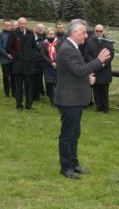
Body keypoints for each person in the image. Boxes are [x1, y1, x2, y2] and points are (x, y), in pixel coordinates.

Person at [54, 19, 110, 179]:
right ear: (74, 32)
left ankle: (74, 163)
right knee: (68, 134)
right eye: (83, 32)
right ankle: (66, 168)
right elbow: (79, 71)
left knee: (75, 133)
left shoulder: (73, 47)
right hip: (68, 99)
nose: (87, 35)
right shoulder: (66, 49)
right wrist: (98, 60)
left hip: (75, 98)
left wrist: (88, 77)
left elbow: (76, 72)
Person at [7, 17, 37, 111]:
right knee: (19, 86)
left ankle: (29, 104)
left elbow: (34, 47)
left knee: (28, 86)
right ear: (18, 24)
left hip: (29, 64)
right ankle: (19, 105)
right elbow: (8, 47)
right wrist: (16, 55)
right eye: (21, 23)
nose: (22, 25)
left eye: (24, 23)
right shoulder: (13, 33)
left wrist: (32, 55)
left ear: (26, 24)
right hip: (18, 64)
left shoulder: (30, 33)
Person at [84, 24, 114, 113]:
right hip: (95, 69)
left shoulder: (108, 42)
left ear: (103, 31)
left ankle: (105, 107)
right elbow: (87, 54)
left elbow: (111, 55)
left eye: (100, 31)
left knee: (104, 90)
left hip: (105, 69)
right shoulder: (90, 41)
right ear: (94, 31)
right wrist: (95, 63)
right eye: (97, 31)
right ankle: (99, 106)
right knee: (96, 90)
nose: (98, 33)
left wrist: (103, 64)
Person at [0, 20, 15, 98]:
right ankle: (7, 93)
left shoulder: (14, 34)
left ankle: (14, 92)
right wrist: (7, 55)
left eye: (9, 25)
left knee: (13, 77)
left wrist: (13, 55)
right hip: (4, 60)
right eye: (6, 25)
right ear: (3, 26)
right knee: (6, 77)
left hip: (13, 59)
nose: (8, 26)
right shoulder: (0, 35)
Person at [41, 28, 58, 105]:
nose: (51, 35)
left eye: (52, 34)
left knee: (57, 83)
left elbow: (61, 52)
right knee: (50, 83)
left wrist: (55, 61)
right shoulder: (44, 43)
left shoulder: (59, 42)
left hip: (58, 66)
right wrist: (51, 62)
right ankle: (53, 101)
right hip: (48, 66)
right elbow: (43, 54)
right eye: (50, 34)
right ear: (47, 35)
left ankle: (58, 100)